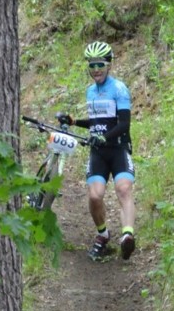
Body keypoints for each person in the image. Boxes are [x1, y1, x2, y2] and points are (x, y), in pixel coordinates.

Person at [58, 41, 136, 262]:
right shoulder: (90, 91)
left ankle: (127, 235)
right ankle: (103, 234)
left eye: (100, 64)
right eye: (91, 66)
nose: (96, 70)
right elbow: (96, 122)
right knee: (94, 196)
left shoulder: (119, 89)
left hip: (118, 148)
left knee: (123, 189)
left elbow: (123, 124)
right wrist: (74, 121)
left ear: (109, 64)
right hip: (98, 152)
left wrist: (105, 136)